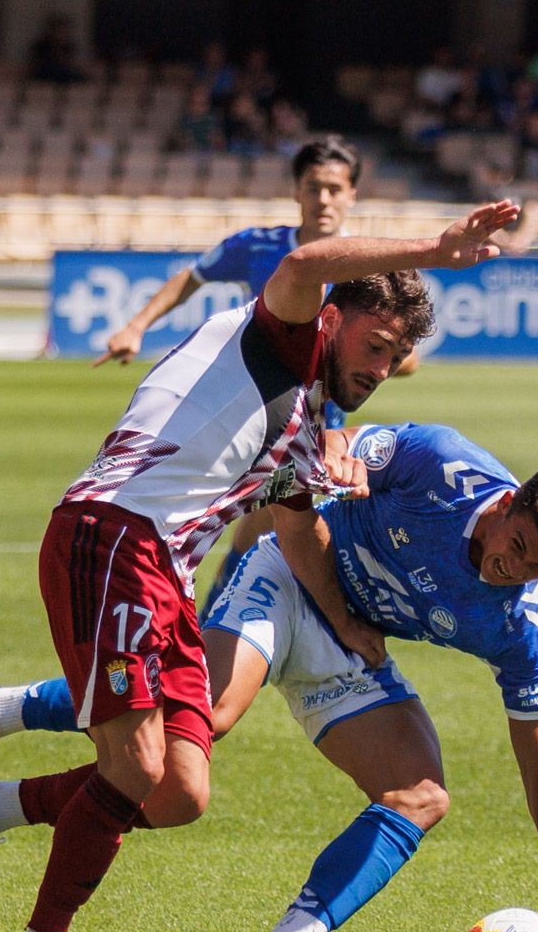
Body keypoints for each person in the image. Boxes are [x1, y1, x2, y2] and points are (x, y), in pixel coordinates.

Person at [0, 202, 521, 932]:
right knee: (132, 765)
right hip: (112, 536)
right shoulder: (283, 335)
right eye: (374, 346)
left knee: (178, 793)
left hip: (164, 575)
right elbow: (307, 265)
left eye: (397, 357)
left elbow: (300, 528)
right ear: (334, 321)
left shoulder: (308, 420)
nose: (381, 368)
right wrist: (437, 250)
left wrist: (346, 624)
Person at [0, 424, 538, 932]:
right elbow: (305, 464)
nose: (515, 570)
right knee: (201, 720)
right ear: (508, 502)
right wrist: (297, 478)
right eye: (518, 547)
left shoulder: (528, 623)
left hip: (350, 647)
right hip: (291, 575)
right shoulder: (439, 464)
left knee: (420, 794)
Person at [85, 137, 415, 608]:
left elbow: (401, 353)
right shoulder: (259, 246)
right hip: (247, 418)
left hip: (315, 434)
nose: (323, 199)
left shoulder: (363, 273)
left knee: (269, 535)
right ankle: (200, 625)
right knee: (251, 532)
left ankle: (210, 623)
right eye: (313, 187)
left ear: (352, 195)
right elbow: (192, 277)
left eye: (335, 189)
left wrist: (384, 353)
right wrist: (136, 326)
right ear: (298, 191)